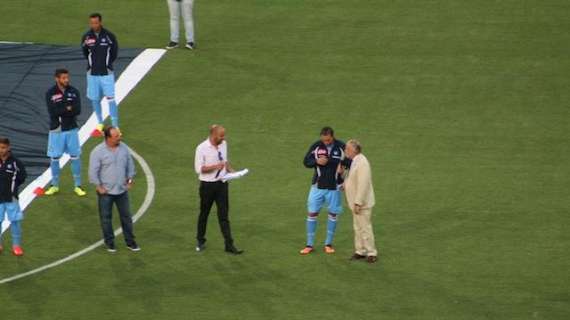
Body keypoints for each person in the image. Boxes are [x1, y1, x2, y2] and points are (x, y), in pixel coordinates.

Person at [88, 127, 139, 253]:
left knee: (126, 217)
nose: (119, 137)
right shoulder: (98, 151)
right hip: (106, 192)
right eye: (116, 136)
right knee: (106, 219)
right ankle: (110, 243)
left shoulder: (124, 148)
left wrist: (130, 180)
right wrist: (99, 187)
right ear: (108, 138)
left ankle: (130, 242)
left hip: (122, 190)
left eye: (119, 135)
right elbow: (92, 171)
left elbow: (130, 165)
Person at [194, 125, 243, 254]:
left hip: (222, 184)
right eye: (221, 136)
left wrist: (234, 172)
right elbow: (199, 169)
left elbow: (225, 162)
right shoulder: (201, 148)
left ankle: (229, 244)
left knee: (224, 215)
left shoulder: (223, 144)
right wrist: (216, 166)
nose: (224, 138)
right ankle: (200, 240)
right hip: (207, 186)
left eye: (224, 135)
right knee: (204, 213)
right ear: (213, 135)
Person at [300, 127, 349, 255]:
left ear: (332, 137)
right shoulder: (317, 146)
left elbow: (351, 162)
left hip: (334, 188)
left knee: (333, 215)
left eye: (328, 140)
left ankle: (328, 244)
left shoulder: (341, 146)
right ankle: (309, 245)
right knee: (312, 213)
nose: (325, 142)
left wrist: (343, 169)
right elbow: (306, 162)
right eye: (324, 140)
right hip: (317, 187)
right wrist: (316, 161)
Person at [43, 68, 87, 197]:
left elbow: (77, 110)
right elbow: (53, 112)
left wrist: (64, 109)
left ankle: (78, 185)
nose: (66, 80)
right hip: (56, 130)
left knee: (75, 156)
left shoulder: (74, 92)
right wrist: (67, 108)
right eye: (63, 78)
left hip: (71, 128)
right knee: (55, 158)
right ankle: (54, 185)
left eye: (67, 77)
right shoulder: (50, 93)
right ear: (57, 79)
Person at [81, 13, 120, 135]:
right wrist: (92, 65)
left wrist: (107, 64)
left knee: (111, 99)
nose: (94, 25)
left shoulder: (109, 36)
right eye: (91, 23)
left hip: (106, 73)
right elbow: (85, 53)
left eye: (96, 22)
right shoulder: (86, 37)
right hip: (92, 73)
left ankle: (115, 127)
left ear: (100, 22)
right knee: (95, 99)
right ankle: (100, 124)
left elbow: (114, 52)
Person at [343, 139, 377, 263]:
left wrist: (358, 202)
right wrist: (345, 185)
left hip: (362, 203)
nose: (345, 150)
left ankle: (371, 252)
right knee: (357, 227)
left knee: (365, 227)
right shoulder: (354, 161)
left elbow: (364, 184)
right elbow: (353, 178)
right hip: (355, 203)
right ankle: (360, 251)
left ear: (355, 150)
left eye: (347, 149)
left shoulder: (362, 162)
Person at [0, 138, 27, 256]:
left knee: (15, 222)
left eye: (3, 147)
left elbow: (22, 176)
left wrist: (13, 188)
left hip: (11, 198)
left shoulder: (15, 162)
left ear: (8, 148)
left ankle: (16, 246)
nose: (1, 150)